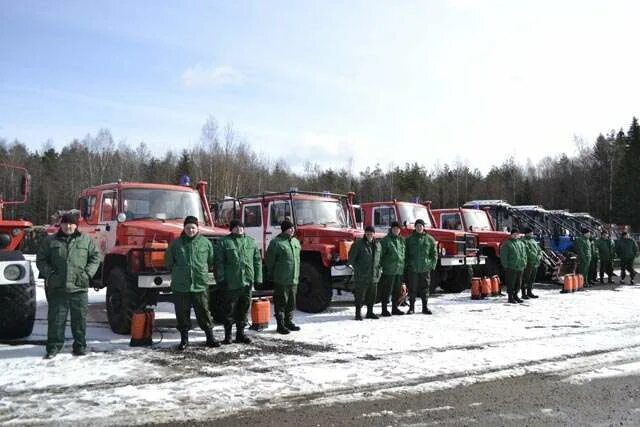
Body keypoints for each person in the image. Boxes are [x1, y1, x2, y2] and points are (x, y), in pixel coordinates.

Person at [36, 212, 100, 359]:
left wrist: (87, 274)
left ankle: (80, 346)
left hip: (79, 287)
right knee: (56, 319)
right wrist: (50, 275)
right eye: (65, 223)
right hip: (58, 288)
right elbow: (41, 260)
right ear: (61, 225)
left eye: (71, 224)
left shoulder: (85, 240)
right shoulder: (50, 241)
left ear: (76, 225)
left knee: (79, 319)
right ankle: (53, 347)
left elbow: (95, 257)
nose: (68, 226)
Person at [165, 216, 218, 351]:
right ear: (184, 228)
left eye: (193, 227)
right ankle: (184, 339)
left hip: (200, 284)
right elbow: (169, 262)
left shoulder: (205, 243)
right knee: (182, 313)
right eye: (188, 228)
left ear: (197, 228)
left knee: (204, 311)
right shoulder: (176, 244)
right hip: (181, 286)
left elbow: (210, 260)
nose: (190, 230)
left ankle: (210, 337)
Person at [215, 219, 262, 344]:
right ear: (231, 229)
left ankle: (240, 334)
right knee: (229, 310)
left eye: (241, 227)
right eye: (235, 227)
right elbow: (219, 263)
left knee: (243, 309)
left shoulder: (251, 242)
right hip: (231, 283)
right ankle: (228, 336)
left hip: (247, 282)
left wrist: (258, 278)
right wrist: (221, 278)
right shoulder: (224, 242)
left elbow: (257, 261)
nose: (239, 229)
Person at [266, 219, 301, 334]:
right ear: (284, 229)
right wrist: (271, 276)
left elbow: (298, 260)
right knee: (281, 302)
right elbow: (270, 261)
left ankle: (288, 322)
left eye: (293, 228)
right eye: (289, 228)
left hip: (293, 278)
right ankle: (280, 325)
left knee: (292, 302)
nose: (292, 230)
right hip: (281, 279)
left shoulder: (296, 242)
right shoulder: (276, 243)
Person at [348, 225, 382, 320]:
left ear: (374, 234)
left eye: (371, 233)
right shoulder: (358, 244)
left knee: (372, 296)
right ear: (365, 233)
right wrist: (356, 268)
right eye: (367, 233)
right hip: (362, 275)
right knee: (360, 296)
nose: (369, 234)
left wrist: (379, 269)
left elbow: (379, 259)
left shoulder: (378, 245)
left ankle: (370, 312)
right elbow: (351, 258)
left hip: (374, 275)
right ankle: (358, 314)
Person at [404, 219, 438, 314]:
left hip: (425, 268)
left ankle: (425, 307)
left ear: (423, 227)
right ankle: (411, 308)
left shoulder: (430, 239)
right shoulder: (409, 239)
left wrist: (431, 265)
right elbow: (405, 253)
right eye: (417, 226)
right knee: (412, 289)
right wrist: (408, 264)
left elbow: (434, 254)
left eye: (421, 226)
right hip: (413, 269)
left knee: (425, 289)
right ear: (415, 227)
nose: (419, 228)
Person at [379, 221, 406, 316]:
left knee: (397, 291)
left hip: (399, 270)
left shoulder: (402, 240)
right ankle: (384, 309)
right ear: (391, 229)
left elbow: (403, 254)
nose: (396, 230)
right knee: (386, 290)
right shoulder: (385, 240)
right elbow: (380, 255)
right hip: (389, 270)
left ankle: (395, 308)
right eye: (394, 228)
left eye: (398, 229)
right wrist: (381, 267)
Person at [500, 228, 527, 304]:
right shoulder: (507, 244)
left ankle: (516, 295)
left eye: (517, 234)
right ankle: (510, 297)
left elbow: (524, 254)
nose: (515, 236)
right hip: (511, 267)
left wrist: (524, 262)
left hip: (520, 266)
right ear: (511, 235)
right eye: (514, 234)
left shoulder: (521, 243)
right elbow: (503, 256)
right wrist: (505, 265)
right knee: (511, 282)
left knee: (518, 283)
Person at [521, 227, 541, 299]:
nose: (532, 234)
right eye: (530, 233)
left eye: (532, 232)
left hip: (535, 262)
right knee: (526, 278)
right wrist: (535, 256)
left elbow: (539, 249)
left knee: (532, 278)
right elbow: (527, 251)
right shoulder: (524, 241)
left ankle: (529, 292)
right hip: (529, 262)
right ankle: (524, 293)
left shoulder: (533, 240)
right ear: (527, 233)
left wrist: (539, 256)